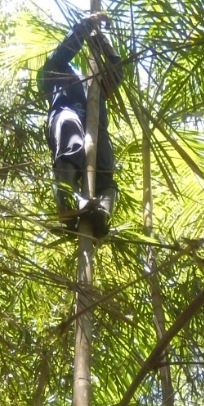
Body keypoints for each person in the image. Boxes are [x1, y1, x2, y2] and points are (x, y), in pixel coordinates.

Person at [38, 12, 123, 238]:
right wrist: (86, 26)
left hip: (95, 128)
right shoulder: (53, 71)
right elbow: (63, 53)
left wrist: (101, 40)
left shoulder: (95, 91)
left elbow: (117, 73)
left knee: (106, 173)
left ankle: (101, 214)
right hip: (67, 113)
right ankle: (68, 207)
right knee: (70, 143)